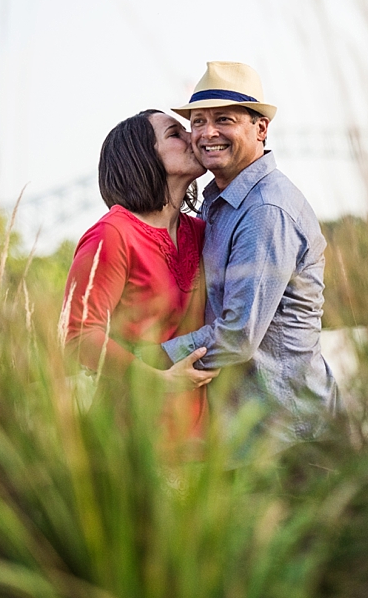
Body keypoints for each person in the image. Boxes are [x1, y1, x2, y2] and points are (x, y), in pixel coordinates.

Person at [158, 61, 338, 443]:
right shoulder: (218, 202)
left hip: (286, 432)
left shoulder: (265, 211)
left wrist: (151, 361)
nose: (207, 133)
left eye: (224, 119)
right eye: (197, 122)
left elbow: (237, 335)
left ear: (261, 128)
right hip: (246, 431)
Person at [61, 109, 218, 451]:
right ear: (143, 156)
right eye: (176, 134)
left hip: (198, 440)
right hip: (130, 439)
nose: (195, 137)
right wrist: (159, 382)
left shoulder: (205, 231)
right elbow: (77, 335)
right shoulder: (112, 234)